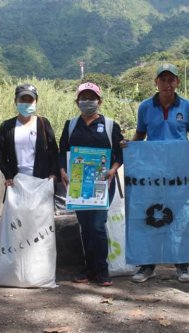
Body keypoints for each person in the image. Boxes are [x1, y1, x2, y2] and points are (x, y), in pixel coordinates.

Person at [129, 63, 189, 283]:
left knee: (180, 215)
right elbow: (140, 136)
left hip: (179, 172)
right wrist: (129, 151)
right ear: (156, 82)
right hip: (150, 173)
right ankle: (147, 265)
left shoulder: (188, 107)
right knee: (149, 215)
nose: (167, 84)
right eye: (163, 79)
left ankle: (181, 266)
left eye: (171, 79)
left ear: (177, 82)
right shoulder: (145, 107)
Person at [59, 82, 124, 287]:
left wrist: (113, 169)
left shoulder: (110, 125)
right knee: (85, 227)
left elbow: (120, 155)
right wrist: (62, 171)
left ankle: (102, 270)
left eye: (92, 98)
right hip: (78, 185)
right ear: (77, 102)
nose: (88, 101)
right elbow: (62, 152)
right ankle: (88, 269)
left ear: (99, 101)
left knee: (97, 226)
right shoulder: (71, 125)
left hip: (103, 183)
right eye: (83, 98)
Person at [0, 84, 59, 187]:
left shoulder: (43, 123)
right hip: (16, 183)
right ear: (15, 101)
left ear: (36, 102)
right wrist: (8, 176)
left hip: (41, 182)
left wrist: (53, 174)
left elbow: (54, 152)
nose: (26, 103)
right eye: (22, 100)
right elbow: (1, 156)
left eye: (30, 100)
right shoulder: (7, 126)